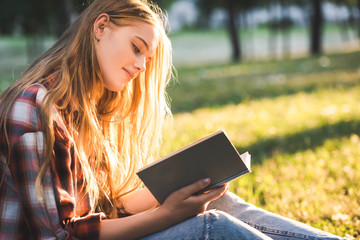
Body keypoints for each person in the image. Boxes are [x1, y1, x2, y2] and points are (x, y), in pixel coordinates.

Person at [0, 0, 349, 239]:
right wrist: (167, 215)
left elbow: (106, 209)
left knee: (219, 203)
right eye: (137, 48)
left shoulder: (87, 111)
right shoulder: (33, 110)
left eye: (146, 59)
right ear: (101, 27)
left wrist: (184, 180)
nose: (140, 67)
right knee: (209, 226)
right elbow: (61, 234)